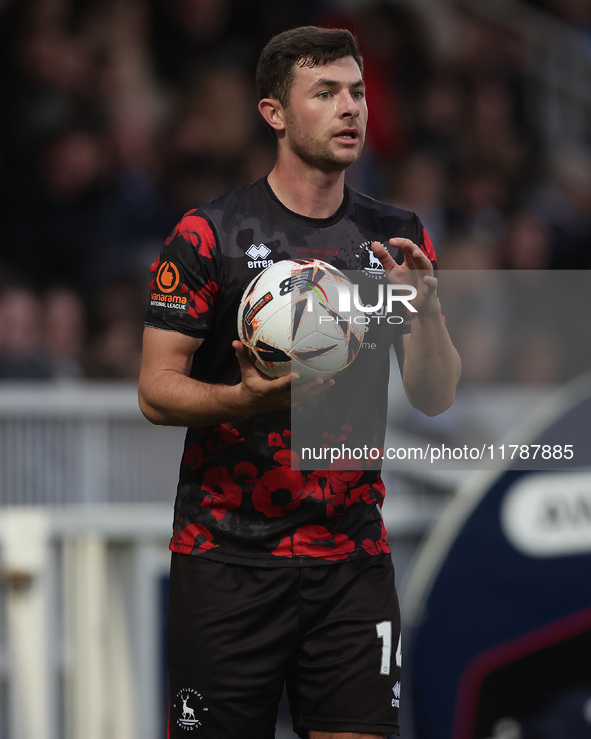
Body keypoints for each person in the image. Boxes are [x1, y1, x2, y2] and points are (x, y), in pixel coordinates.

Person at [138, 26, 460, 739]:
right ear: (274, 113)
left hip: (351, 560)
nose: (350, 108)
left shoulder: (392, 235)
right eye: (325, 92)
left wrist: (427, 309)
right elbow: (156, 389)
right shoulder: (208, 234)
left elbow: (433, 392)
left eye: (357, 91)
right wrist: (241, 401)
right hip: (225, 556)